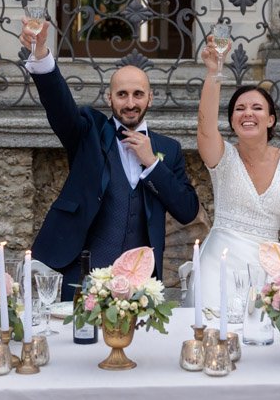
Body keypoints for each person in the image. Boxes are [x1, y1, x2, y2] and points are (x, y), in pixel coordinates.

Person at [20, 19, 200, 301]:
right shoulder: (88, 132)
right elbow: (60, 107)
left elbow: (187, 210)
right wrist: (42, 55)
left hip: (140, 284)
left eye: (138, 94)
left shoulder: (169, 148)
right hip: (83, 277)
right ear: (109, 98)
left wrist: (152, 164)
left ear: (150, 99)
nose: (130, 103)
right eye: (122, 94)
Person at [190, 34, 280, 308]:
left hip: (270, 271)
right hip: (217, 269)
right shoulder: (223, 157)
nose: (248, 113)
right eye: (240, 109)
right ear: (232, 121)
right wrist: (214, 72)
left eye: (257, 108)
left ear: (270, 119)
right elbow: (206, 128)